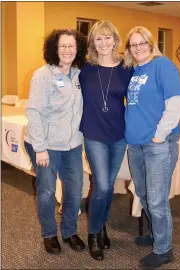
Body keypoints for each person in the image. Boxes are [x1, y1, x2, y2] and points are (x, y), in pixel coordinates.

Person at [124, 26, 180, 268]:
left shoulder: (163, 65)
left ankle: (163, 250)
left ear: (151, 44)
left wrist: (160, 135)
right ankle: (158, 235)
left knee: (157, 199)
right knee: (144, 194)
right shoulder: (136, 70)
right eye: (133, 44)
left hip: (157, 144)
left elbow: (177, 101)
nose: (138, 47)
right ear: (129, 48)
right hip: (136, 144)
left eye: (142, 43)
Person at [24, 29, 87, 255]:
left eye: (71, 46)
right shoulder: (43, 75)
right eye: (63, 46)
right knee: (47, 191)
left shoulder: (80, 73)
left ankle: (70, 232)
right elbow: (34, 112)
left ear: (77, 49)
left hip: (72, 145)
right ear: (54, 49)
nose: (68, 50)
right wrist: (40, 148)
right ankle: (49, 234)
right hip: (46, 146)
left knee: (75, 189)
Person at [79, 20, 133, 261]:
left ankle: (101, 226)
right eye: (98, 38)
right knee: (101, 185)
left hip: (119, 135)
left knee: (108, 186)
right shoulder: (85, 67)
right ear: (93, 42)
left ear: (115, 40)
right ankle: (93, 234)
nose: (103, 43)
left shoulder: (126, 67)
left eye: (107, 37)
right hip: (93, 134)